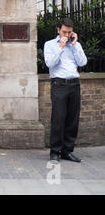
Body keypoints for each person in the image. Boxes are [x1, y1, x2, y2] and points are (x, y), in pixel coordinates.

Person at [44, 18, 87, 163]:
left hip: (74, 84)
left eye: (69, 32)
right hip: (59, 85)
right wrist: (60, 48)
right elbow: (50, 63)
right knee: (58, 118)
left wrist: (74, 45)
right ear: (58, 30)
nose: (66, 35)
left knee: (72, 119)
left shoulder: (76, 45)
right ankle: (55, 151)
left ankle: (67, 151)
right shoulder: (50, 45)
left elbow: (83, 62)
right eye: (64, 32)